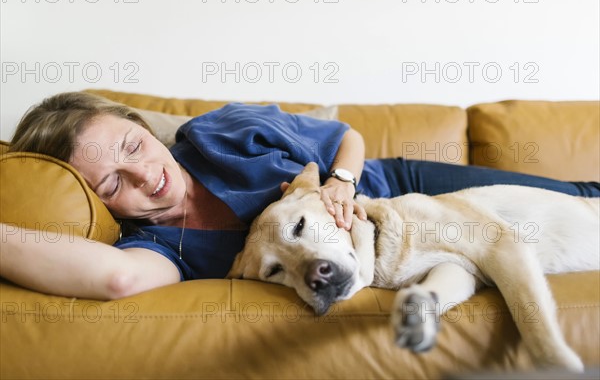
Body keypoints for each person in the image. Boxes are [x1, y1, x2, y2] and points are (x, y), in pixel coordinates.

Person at [1, 92, 598, 301]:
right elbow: (117, 281)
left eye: (133, 145)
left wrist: (342, 182)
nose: (142, 176)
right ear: (98, 202)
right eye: (112, 185)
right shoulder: (158, 245)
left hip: (401, 189)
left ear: (139, 124)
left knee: (578, 197)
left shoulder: (223, 132)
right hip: (399, 259)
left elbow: (346, 137)